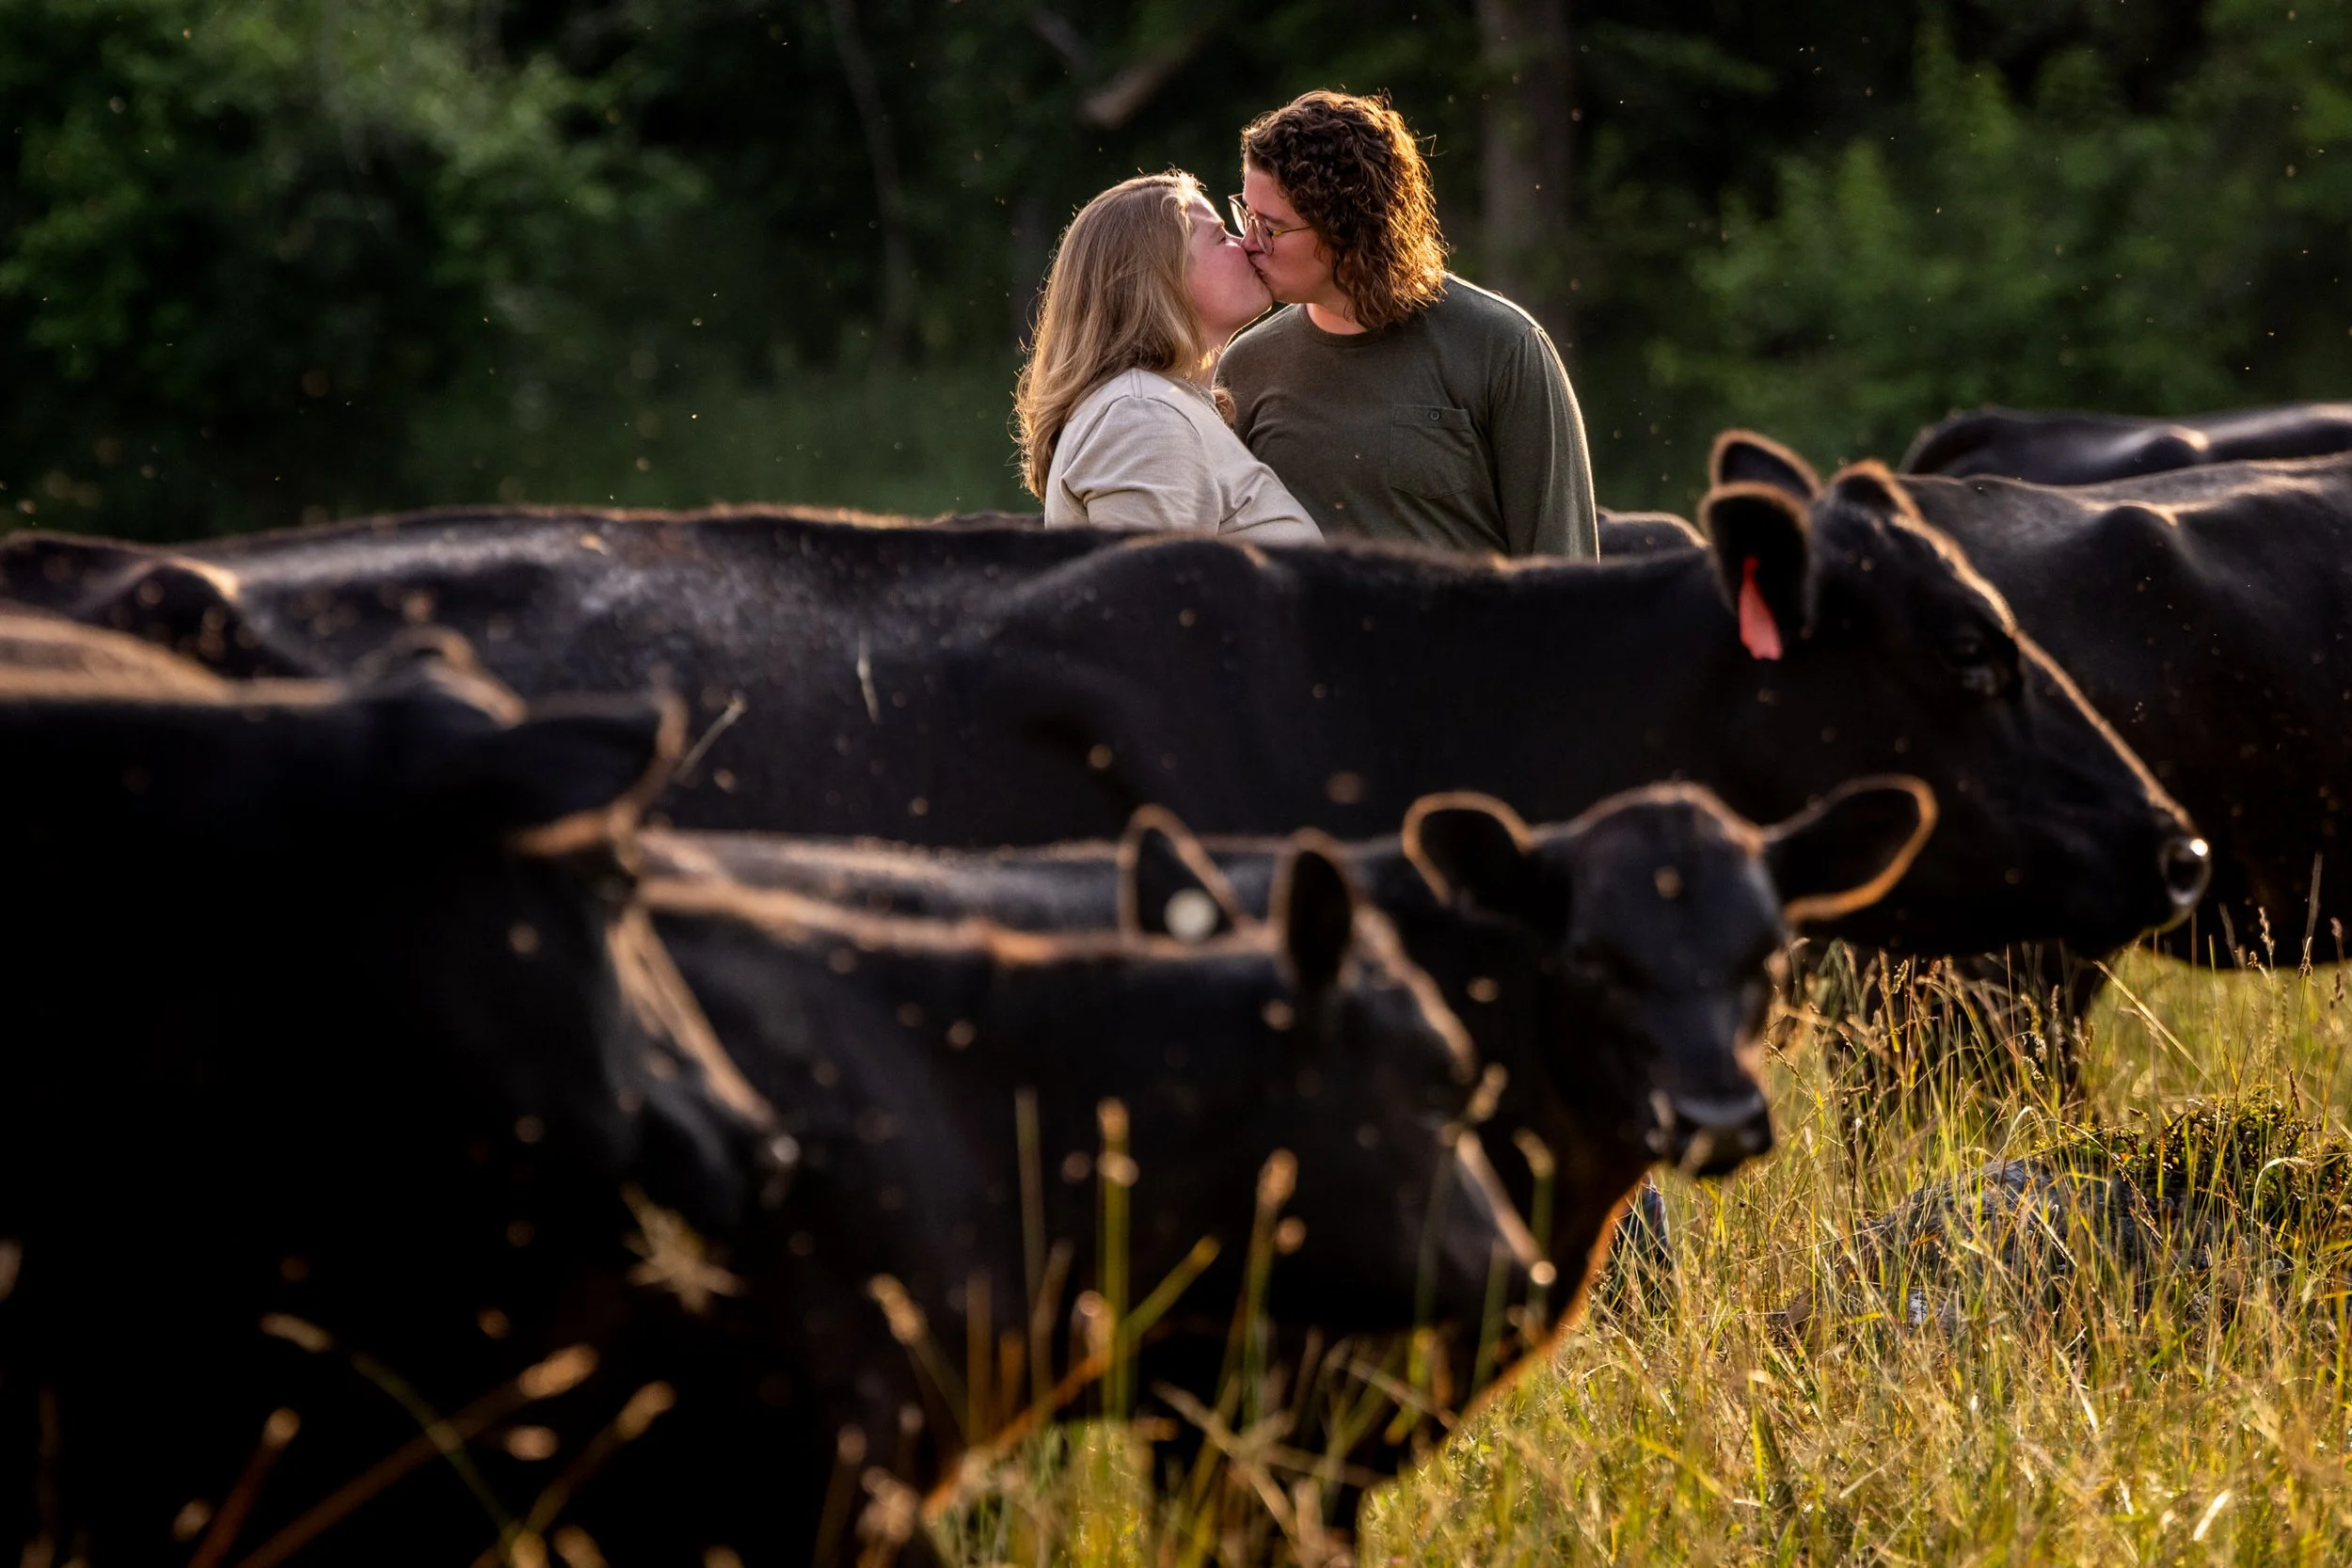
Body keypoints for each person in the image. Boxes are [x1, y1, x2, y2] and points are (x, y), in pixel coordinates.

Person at [1220, 90, 1598, 558]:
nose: (1248, 242)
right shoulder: (1244, 368)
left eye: (1271, 227)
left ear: (1348, 229)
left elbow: (1563, 565)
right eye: (1246, 215)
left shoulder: (1502, 347)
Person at [1015, 172, 1322, 545]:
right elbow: (1152, 595)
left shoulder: (1155, 406)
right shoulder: (1140, 415)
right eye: (1221, 236)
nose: (1246, 244)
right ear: (1160, 278)